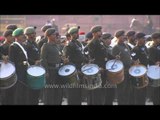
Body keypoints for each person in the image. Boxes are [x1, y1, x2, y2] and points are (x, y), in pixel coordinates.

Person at [63, 26, 85, 105]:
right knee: (73, 91)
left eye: (77, 33)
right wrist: (75, 70)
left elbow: (81, 55)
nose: (77, 34)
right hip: (73, 70)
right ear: (71, 35)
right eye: (75, 33)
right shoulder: (69, 45)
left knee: (78, 91)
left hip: (80, 67)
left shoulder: (78, 43)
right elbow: (68, 60)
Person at [41, 28, 63, 105]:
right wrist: (46, 71)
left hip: (58, 70)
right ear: (48, 36)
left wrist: (63, 61)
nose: (55, 36)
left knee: (58, 91)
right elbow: (43, 60)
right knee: (50, 91)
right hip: (50, 70)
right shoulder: (46, 46)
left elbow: (59, 58)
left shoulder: (56, 46)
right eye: (53, 34)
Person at [112, 30, 134, 105]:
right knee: (121, 90)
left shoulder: (126, 46)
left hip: (128, 70)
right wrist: (116, 58)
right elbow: (113, 60)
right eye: (122, 36)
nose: (124, 37)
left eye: (124, 35)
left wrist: (133, 62)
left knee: (128, 90)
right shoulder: (116, 47)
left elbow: (129, 57)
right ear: (117, 37)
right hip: (122, 72)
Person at [9, 28, 28, 105]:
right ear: (16, 36)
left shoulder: (23, 45)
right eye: (21, 35)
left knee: (24, 92)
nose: (23, 36)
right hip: (18, 71)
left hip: (24, 70)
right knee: (18, 92)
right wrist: (15, 73)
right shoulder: (13, 46)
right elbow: (12, 61)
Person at [131, 32, 149, 105]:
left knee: (144, 90)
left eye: (144, 38)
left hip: (145, 71)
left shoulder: (144, 47)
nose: (144, 40)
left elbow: (147, 57)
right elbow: (134, 60)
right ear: (138, 39)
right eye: (142, 38)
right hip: (138, 72)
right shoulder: (135, 49)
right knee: (139, 91)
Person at [24, 27, 41, 105]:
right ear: (28, 35)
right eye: (32, 34)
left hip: (36, 69)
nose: (34, 35)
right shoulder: (26, 44)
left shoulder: (34, 44)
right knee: (30, 92)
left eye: (34, 33)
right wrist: (34, 62)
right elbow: (26, 57)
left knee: (36, 91)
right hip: (30, 69)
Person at [0, 30, 14, 105]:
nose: (12, 37)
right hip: (4, 72)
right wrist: (3, 57)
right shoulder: (2, 47)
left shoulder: (14, 46)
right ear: (6, 37)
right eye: (10, 36)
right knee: (4, 94)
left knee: (12, 93)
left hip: (13, 72)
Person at [148, 32, 160, 105]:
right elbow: (150, 60)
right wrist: (156, 62)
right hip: (155, 70)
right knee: (156, 88)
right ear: (153, 39)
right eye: (158, 38)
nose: (159, 40)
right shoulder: (151, 48)